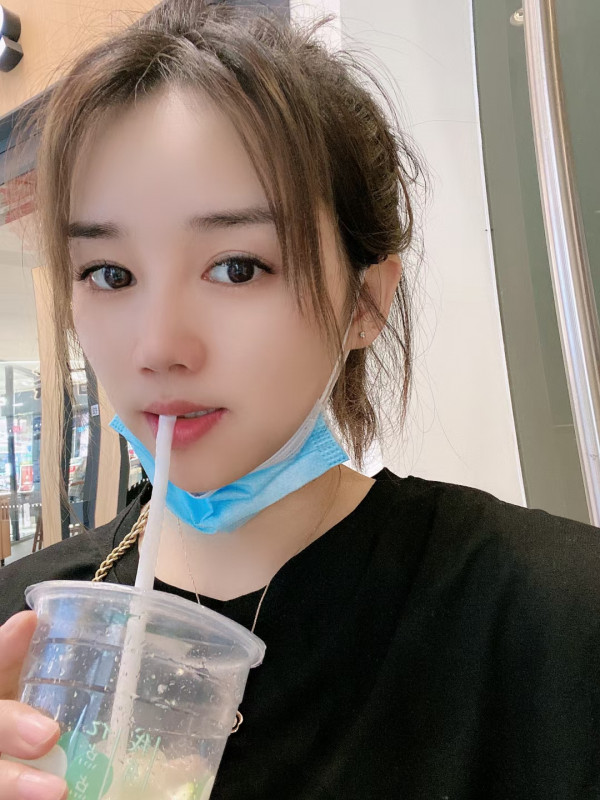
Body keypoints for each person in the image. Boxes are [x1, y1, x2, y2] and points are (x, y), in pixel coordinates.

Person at [1, 2, 600, 799]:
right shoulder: (23, 630)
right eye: (109, 274)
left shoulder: (555, 617)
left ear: (365, 302)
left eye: (237, 267)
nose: (158, 347)